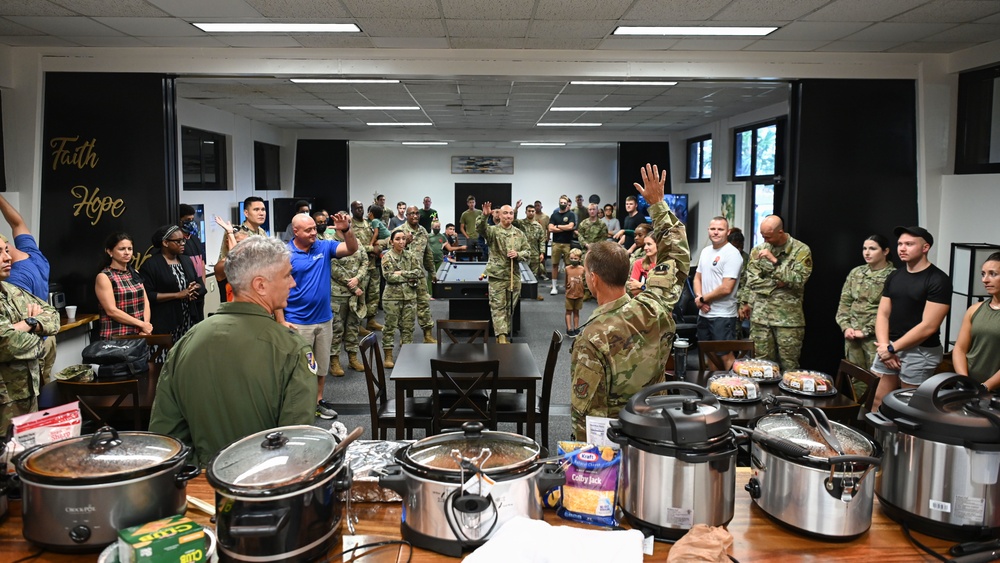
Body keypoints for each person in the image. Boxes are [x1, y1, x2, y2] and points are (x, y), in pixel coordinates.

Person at [148, 236, 317, 467]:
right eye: (287, 275)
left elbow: (166, 438)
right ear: (260, 285)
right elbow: (296, 443)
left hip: (201, 490)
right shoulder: (291, 349)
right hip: (263, 489)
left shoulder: (187, 342)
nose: (293, 283)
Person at [571, 163, 689, 440]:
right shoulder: (654, 307)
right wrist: (658, 205)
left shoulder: (592, 338)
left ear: (593, 279)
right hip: (655, 434)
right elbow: (677, 258)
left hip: (618, 443)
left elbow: (587, 418)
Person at [275, 212, 358, 420]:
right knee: (299, 369)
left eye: (314, 228)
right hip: (296, 321)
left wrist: (346, 229)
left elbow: (351, 248)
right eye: (309, 230)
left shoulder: (323, 246)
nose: (314, 232)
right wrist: (281, 320)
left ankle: (317, 402)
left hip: (324, 319)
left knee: (321, 366)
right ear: (295, 231)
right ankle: (298, 407)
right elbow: (276, 288)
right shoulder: (285, 254)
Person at [872, 226, 951, 411]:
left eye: (909, 244)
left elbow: (929, 326)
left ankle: (904, 441)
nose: (902, 248)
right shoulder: (895, 275)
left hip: (919, 351)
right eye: (900, 244)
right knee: (878, 401)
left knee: (908, 407)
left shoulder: (938, 280)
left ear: (925, 248)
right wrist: (885, 347)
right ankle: (876, 440)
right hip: (890, 346)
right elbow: (883, 314)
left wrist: (892, 348)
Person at [737, 215, 813, 371]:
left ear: (780, 232)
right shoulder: (758, 250)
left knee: (789, 367)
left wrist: (775, 262)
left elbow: (799, 279)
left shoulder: (801, 250)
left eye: (768, 236)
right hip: (760, 319)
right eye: (763, 235)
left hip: (788, 320)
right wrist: (778, 283)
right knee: (761, 367)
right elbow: (751, 280)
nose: (765, 240)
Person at [0, 195, 56, 384]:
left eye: (3, 251)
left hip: (35, 342)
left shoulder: (15, 278)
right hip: (48, 337)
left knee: (38, 397)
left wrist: (29, 322)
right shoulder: (33, 254)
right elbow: (17, 222)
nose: (5, 258)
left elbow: (13, 329)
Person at [835, 234, 895, 371]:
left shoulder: (893, 276)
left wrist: (866, 331)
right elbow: (845, 302)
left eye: (872, 249)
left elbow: (890, 311)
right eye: (864, 248)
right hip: (852, 335)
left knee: (876, 377)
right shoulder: (856, 272)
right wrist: (846, 327)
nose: (867, 253)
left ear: (885, 251)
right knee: (855, 378)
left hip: (876, 338)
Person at [693, 217, 744, 370]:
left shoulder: (732, 254)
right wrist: (699, 298)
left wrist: (703, 299)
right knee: (709, 354)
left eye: (720, 229)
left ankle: (734, 390)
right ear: (708, 230)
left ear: (728, 232)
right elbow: (697, 277)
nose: (716, 232)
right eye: (713, 229)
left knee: (725, 355)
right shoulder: (706, 251)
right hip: (704, 313)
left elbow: (726, 288)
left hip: (723, 315)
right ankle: (714, 389)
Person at [140, 225, 206, 342]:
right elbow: (149, 295)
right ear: (165, 243)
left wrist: (194, 288)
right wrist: (177, 295)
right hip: (166, 320)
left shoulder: (186, 260)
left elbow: (199, 283)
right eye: (178, 241)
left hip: (188, 318)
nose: (183, 243)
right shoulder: (151, 265)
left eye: (183, 240)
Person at [477, 201, 530, 343]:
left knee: (509, 308)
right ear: (499, 215)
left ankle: (502, 333)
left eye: (511, 213)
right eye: (505, 213)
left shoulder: (519, 234)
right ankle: (501, 336)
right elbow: (480, 229)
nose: (508, 215)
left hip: (514, 276)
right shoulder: (492, 231)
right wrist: (483, 216)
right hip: (497, 276)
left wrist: (518, 254)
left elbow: (528, 252)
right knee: (498, 307)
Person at [953, 252, 1000, 391]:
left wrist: (985, 387)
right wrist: (964, 381)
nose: (985, 280)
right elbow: (960, 349)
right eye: (983, 274)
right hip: (969, 387)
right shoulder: (974, 310)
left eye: (993, 274)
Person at [96, 232, 153, 339]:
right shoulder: (104, 276)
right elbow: (111, 311)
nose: (127, 253)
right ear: (110, 251)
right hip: (117, 335)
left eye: (130, 249)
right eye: (122, 249)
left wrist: (146, 326)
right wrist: (141, 324)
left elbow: (145, 302)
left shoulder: (134, 272)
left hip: (140, 333)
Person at [328, 225, 368, 375]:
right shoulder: (330, 243)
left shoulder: (355, 242)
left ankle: (353, 359)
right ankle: (335, 362)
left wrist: (358, 278)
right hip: (338, 294)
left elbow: (365, 262)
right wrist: (352, 285)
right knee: (337, 329)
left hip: (356, 293)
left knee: (353, 327)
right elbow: (333, 267)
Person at [381, 229, 421, 368]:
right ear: (391, 242)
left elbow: (418, 273)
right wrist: (408, 276)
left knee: (408, 328)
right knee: (390, 328)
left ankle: (406, 355)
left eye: (403, 238)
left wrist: (402, 273)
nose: (401, 241)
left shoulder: (410, 256)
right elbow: (389, 277)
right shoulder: (387, 257)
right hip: (392, 297)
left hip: (410, 297)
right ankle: (388, 356)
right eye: (398, 239)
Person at [216, 196, 268, 301]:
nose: (261, 213)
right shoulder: (237, 232)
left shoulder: (262, 232)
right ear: (246, 213)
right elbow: (229, 260)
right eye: (256, 209)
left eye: (263, 209)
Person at [400, 206, 438, 343]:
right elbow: (391, 252)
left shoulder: (423, 231)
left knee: (424, 305)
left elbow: (428, 254)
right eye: (411, 214)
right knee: (406, 308)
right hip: (404, 277)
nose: (415, 216)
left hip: (420, 275)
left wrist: (432, 271)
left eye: (416, 213)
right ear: (406, 215)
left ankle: (427, 335)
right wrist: (405, 243)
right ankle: (405, 338)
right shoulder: (399, 231)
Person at [351, 201, 384, 336]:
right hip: (360, 268)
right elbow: (353, 247)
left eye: (361, 208)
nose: (360, 210)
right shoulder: (350, 226)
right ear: (352, 210)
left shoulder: (369, 223)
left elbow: (380, 240)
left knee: (374, 295)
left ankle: (371, 320)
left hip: (373, 265)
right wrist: (372, 249)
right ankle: (357, 325)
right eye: (357, 208)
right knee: (360, 296)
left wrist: (378, 249)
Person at [514, 204, 546, 300]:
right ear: (526, 212)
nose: (531, 212)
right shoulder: (521, 223)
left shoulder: (538, 226)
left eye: (532, 211)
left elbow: (542, 240)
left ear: (534, 212)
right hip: (523, 253)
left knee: (534, 275)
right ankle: (519, 293)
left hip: (534, 253)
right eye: (529, 211)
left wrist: (542, 253)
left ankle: (534, 294)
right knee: (520, 274)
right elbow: (513, 220)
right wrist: (516, 209)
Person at [548, 195, 577, 295]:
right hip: (556, 243)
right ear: (559, 203)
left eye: (565, 203)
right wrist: (563, 228)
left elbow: (571, 227)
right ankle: (554, 287)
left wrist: (557, 226)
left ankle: (567, 287)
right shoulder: (554, 215)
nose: (563, 204)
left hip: (567, 244)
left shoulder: (571, 214)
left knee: (568, 266)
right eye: (562, 203)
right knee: (555, 265)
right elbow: (550, 228)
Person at [178, 204, 205, 280]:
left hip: (199, 285)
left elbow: (202, 262)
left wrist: (203, 285)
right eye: (188, 219)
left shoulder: (195, 239)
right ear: (179, 221)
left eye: (192, 219)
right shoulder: (177, 243)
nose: (191, 222)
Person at [627, 232, 657, 297]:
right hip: (639, 302)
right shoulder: (639, 263)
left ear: (658, 245)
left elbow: (661, 293)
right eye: (645, 244)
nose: (645, 248)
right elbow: (632, 289)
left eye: (649, 244)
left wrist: (641, 286)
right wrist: (646, 287)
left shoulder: (665, 266)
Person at [564, 248, 585, 336]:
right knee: (568, 311)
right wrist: (566, 288)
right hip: (569, 294)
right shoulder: (567, 269)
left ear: (579, 259)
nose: (573, 260)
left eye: (575, 259)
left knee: (576, 312)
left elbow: (584, 280)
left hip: (579, 294)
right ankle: (569, 329)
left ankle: (576, 327)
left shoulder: (582, 269)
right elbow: (566, 280)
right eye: (571, 258)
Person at [460, 195, 485, 260]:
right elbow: (461, 227)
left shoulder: (479, 212)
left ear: (475, 203)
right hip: (470, 238)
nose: (472, 204)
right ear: (468, 203)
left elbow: (484, 223)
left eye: (473, 202)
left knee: (481, 255)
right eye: (470, 202)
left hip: (479, 237)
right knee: (470, 256)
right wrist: (467, 236)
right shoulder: (464, 214)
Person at [428, 220, 447, 285]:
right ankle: (430, 293)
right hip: (431, 259)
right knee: (431, 276)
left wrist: (443, 246)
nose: (437, 228)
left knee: (439, 275)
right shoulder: (428, 236)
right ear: (432, 227)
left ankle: (438, 292)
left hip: (439, 258)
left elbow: (446, 241)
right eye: (436, 227)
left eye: (439, 227)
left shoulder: (441, 236)